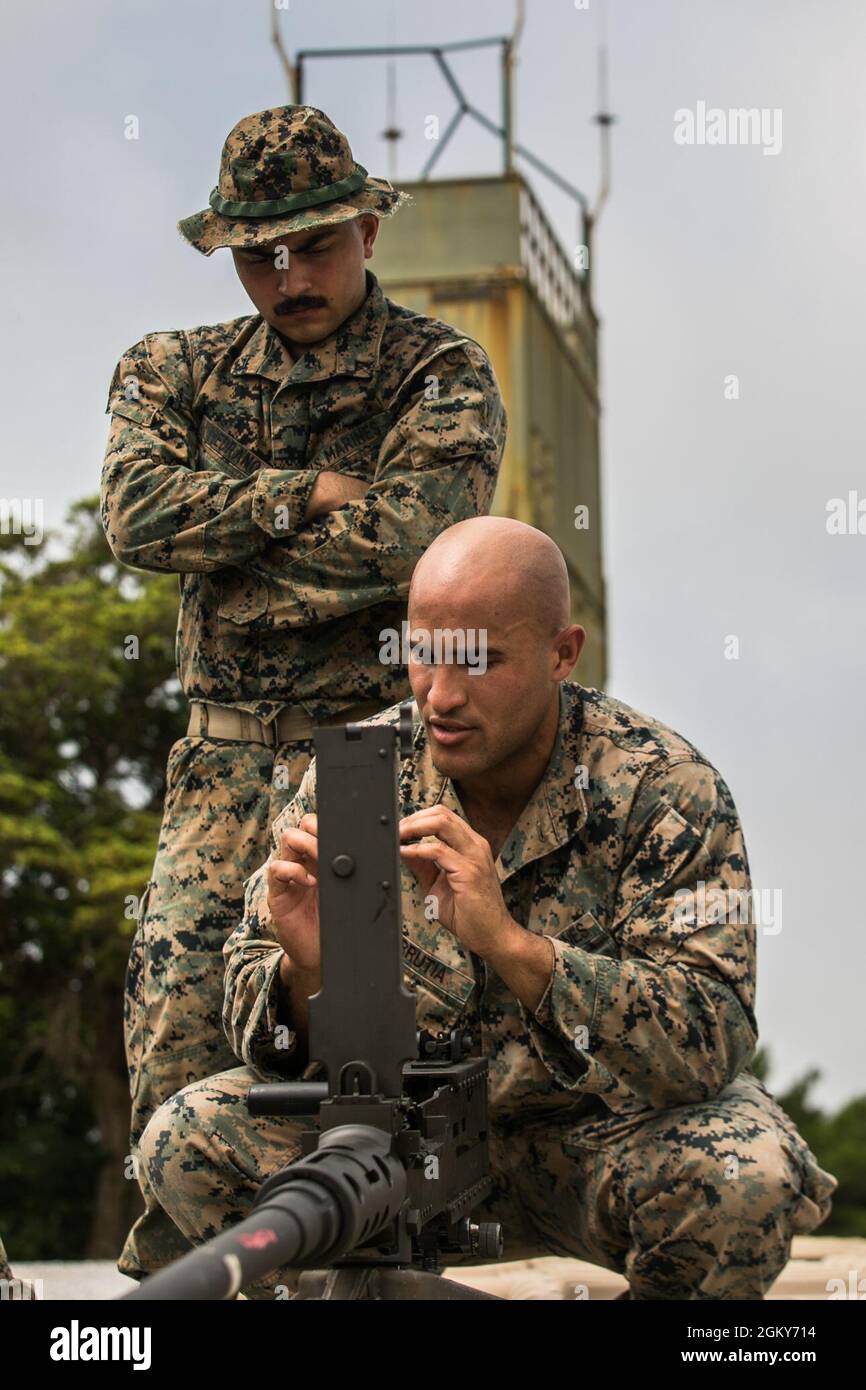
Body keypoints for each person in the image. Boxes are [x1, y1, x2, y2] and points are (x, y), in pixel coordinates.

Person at [137, 516, 837, 1300]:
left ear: (562, 654)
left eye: (481, 663)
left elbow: (710, 1038)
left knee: (747, 1179)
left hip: (596, 1142)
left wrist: (515, 948)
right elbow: (254, 1020)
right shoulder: (358, 777)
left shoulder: (661, 788)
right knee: (186, 1140)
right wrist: (307, 972)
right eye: (421, 656)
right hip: (404, 1152)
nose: (441, 696)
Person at [100, 106, 506, 1281]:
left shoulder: (436, 371)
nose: (288, 276)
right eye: (258, 253)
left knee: (372, 1034)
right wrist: (300, 495)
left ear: (369, 226)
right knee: (176, 1024)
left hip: (370, 755)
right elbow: (136, 514)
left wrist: (229, 560)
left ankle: (364, 1272)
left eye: (315, 244)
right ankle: (174, 1284)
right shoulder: (169, 368)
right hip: (220, 761)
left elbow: (410, 544)